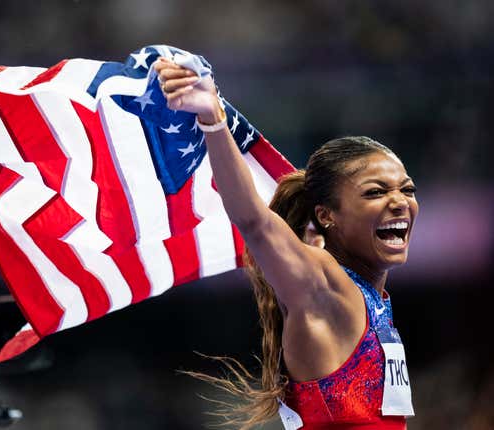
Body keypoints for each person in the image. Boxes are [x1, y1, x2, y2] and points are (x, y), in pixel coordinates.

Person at [153, 57, 418, 429]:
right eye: (376, 192)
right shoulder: (324, 286)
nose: (399, 200)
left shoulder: (370, 299)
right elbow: (255, 222)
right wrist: (213, 121)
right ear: (327, 216)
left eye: (407, 188)